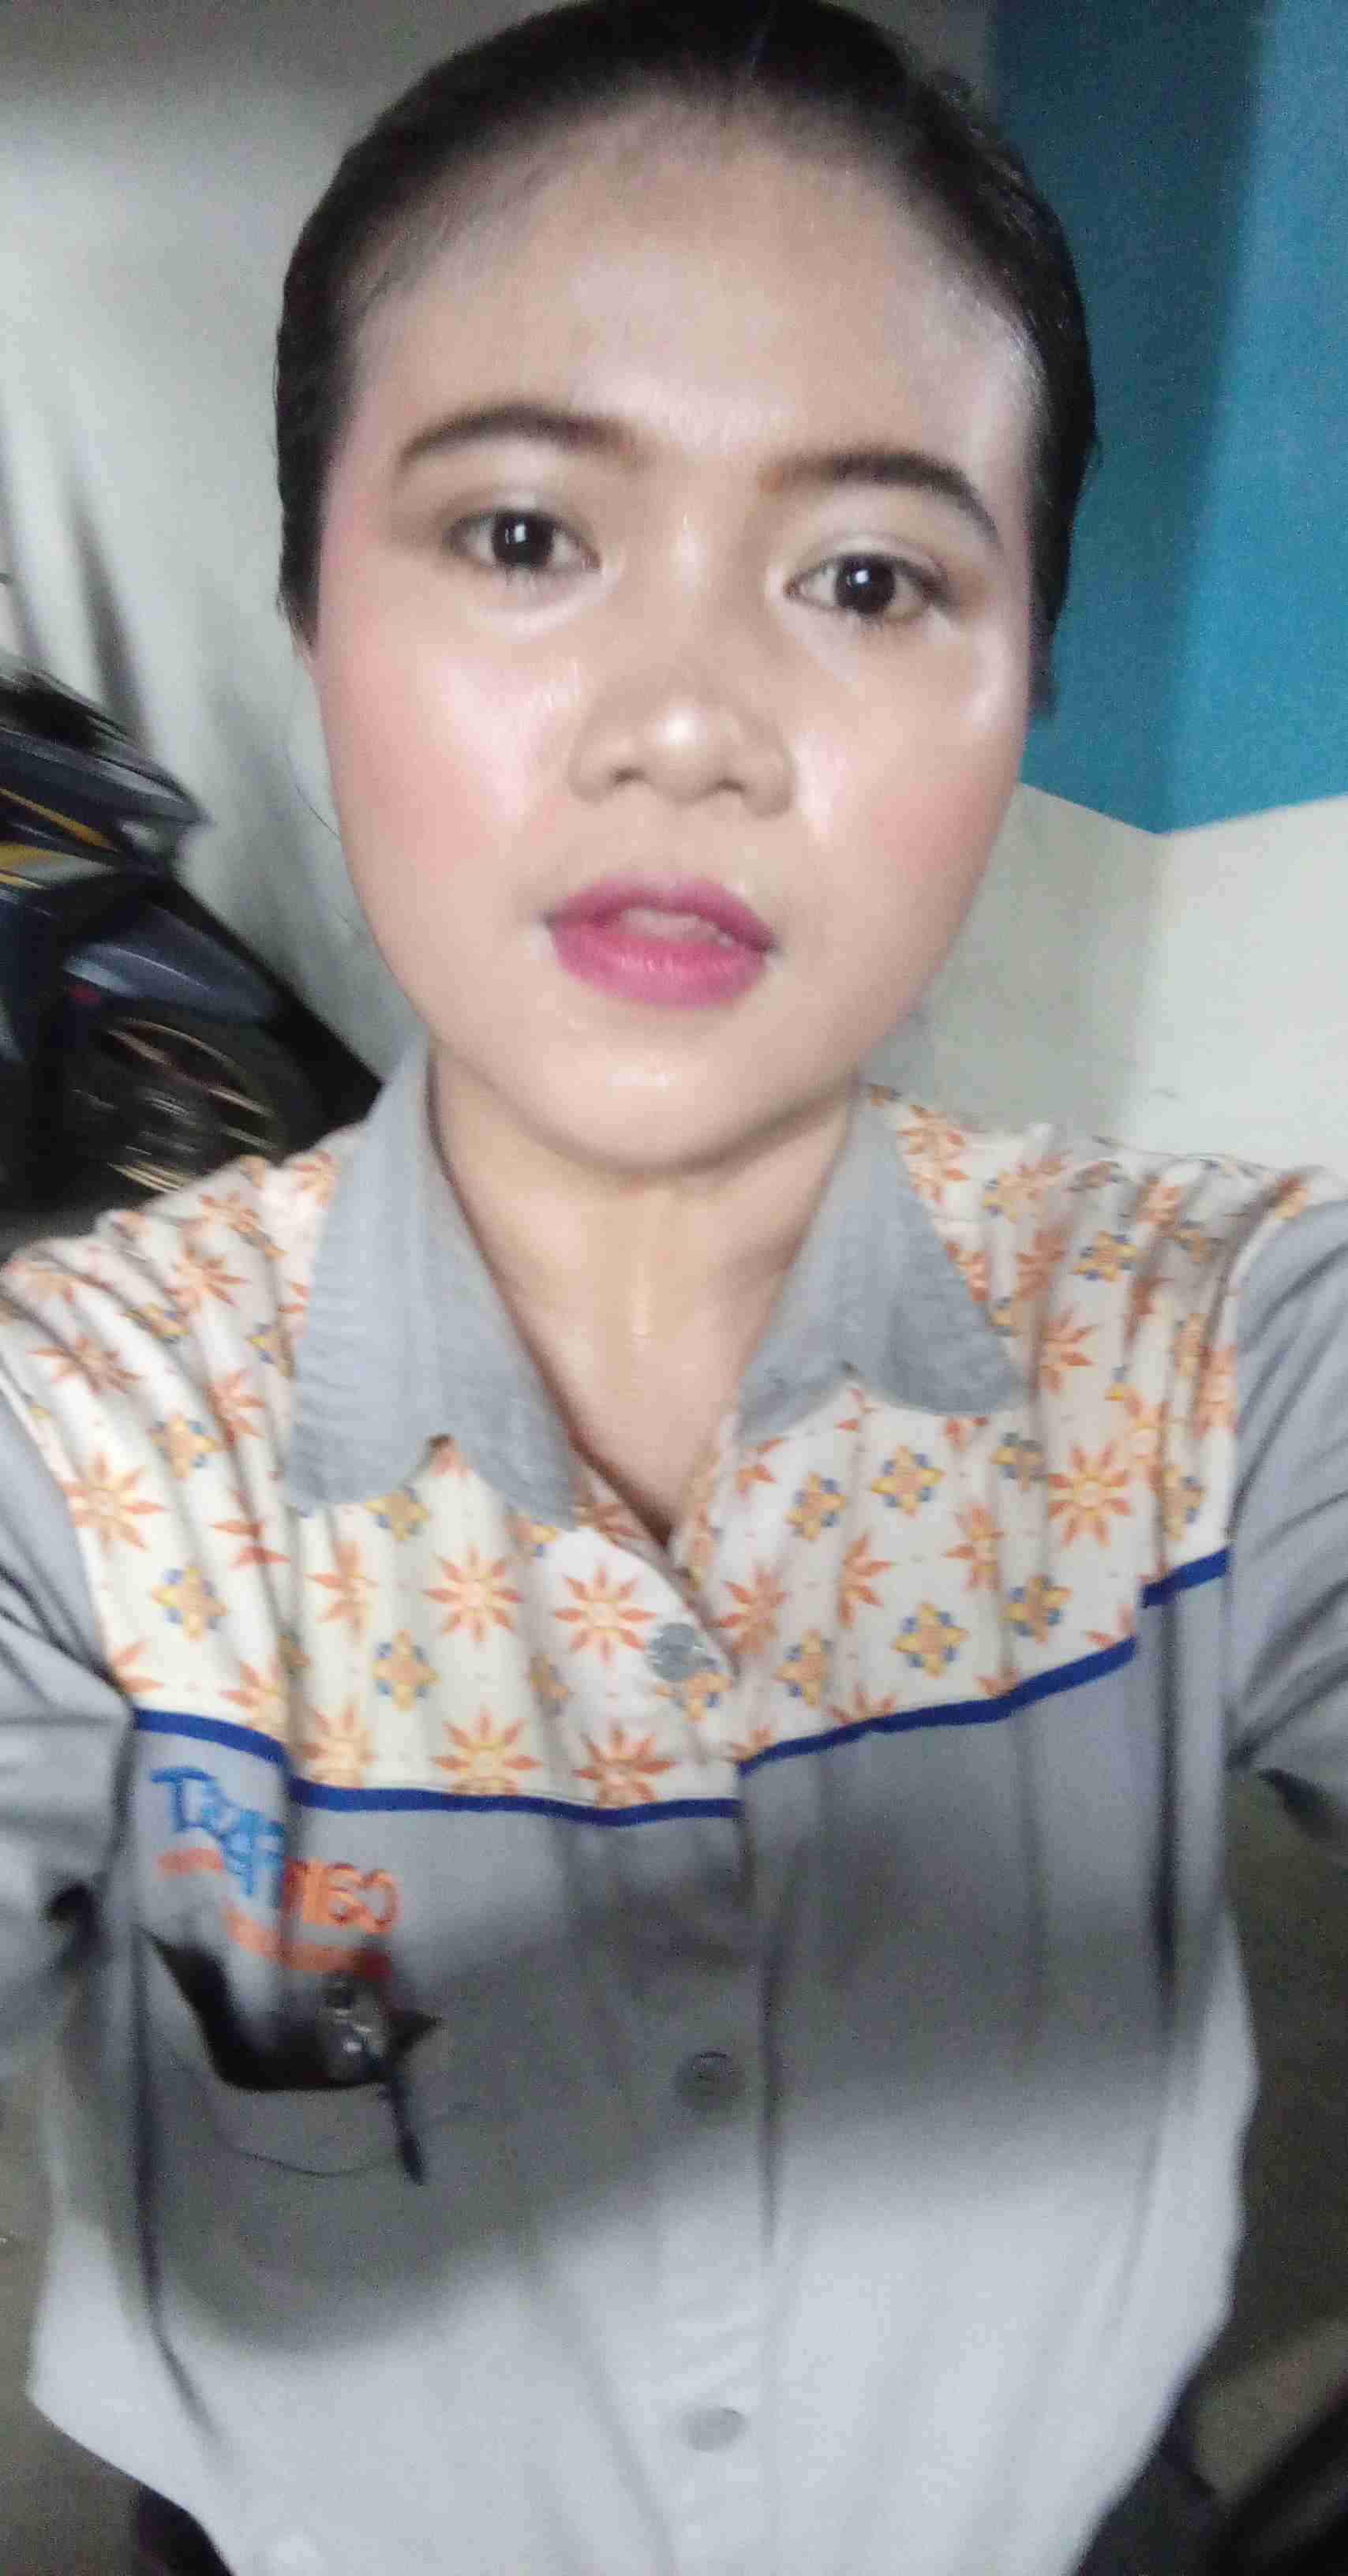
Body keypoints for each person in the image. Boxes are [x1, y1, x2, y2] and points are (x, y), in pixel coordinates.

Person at [0, 6, 1343, 2573]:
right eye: (523, 536)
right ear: (308, 611)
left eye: (867, 577)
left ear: (1021, 695)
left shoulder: (1220, 1367)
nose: (691, 725)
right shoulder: (85, 1442)